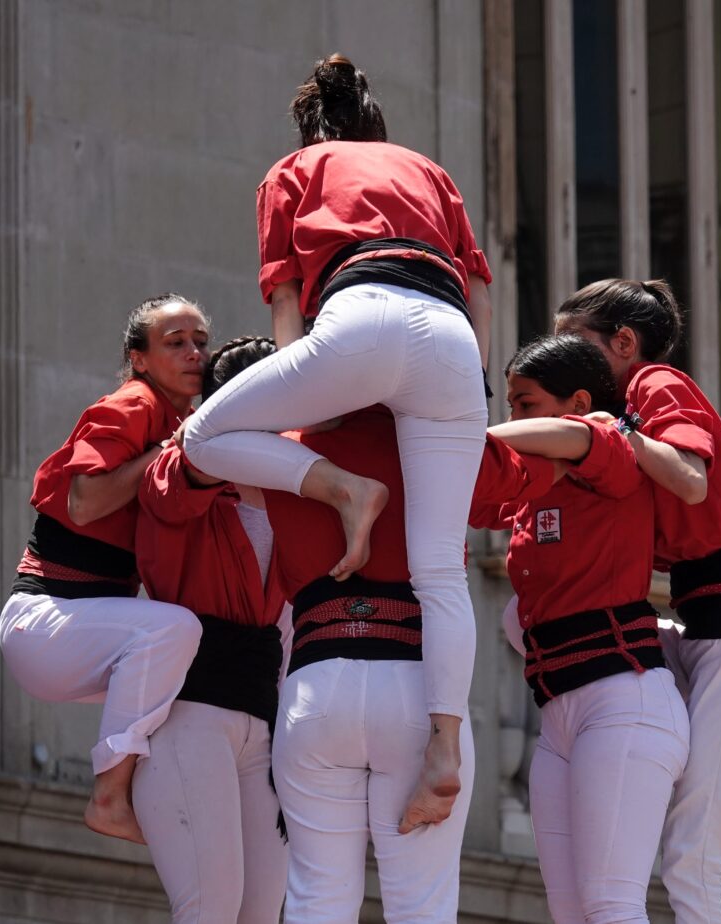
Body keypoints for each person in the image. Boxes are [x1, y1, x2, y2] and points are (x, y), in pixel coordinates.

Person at [182, 54, 492, 828]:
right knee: (441, 572)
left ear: (311, 126)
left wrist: (306, 435)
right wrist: (471, 395)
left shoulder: (293, 170)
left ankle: (346, 490)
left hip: (361, 317)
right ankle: (445, 749)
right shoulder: (429, 169)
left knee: (202, 437)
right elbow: (479, 282)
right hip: (452, 341)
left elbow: (288, 300)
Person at [555, 279, 721, 924]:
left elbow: (690, 481)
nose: (560, 356)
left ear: (624, 343)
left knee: (691, 850)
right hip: (701, 632)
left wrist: (610, 430)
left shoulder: (654, 385)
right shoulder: (620, 418)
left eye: (572, 342)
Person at [260, 402, 557, 924]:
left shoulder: (282, 444)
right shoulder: (435, 440)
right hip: (416, 685)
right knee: (422, 910)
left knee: (315, 902)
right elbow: (529, 479)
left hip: (315, 682)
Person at [476, 335, 690, 924]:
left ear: (577, 402)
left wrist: (471, 437)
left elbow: (578, 437)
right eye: (510, 404)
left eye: (525, 404)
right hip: (558, 717)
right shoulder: (533, 483)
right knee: (572, 915)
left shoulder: (612, 452)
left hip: (624, 702)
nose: (513, 416)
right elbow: (464, 494)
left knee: (612, 906)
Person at [0, 294, 208, 844]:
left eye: (201, 343)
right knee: (176, 631)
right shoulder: (135, 404)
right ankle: (110, 798)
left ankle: (166, 805)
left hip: (74, 632)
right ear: (138, 358)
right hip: (44, 621)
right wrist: (164, 451)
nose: (194, 354)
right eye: (176, 343)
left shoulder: (182, 424)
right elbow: (85, 502)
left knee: (207, 677)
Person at [132, 337, 289, 924]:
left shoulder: (291, 487)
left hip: (263, 726)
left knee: (261, 914)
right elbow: (190, 465)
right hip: (191, 714)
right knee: (210, 910)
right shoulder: (179, 467)